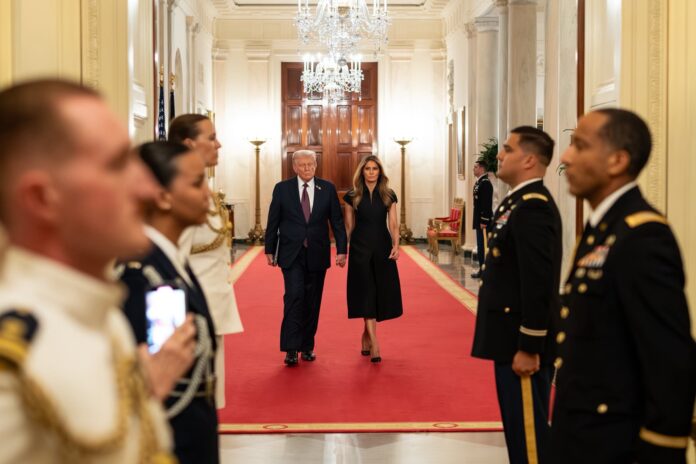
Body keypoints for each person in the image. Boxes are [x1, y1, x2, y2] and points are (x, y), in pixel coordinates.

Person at [0, 79, 192, 463]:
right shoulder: (13, 358)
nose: (147, 188)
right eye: (117, 165)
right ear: (42, 198)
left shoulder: (105, 320)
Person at [551, 108, 696, 463]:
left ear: (617, 160)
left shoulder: (642, 236)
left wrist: (660, 450)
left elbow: (669, 358)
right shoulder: (603, 229)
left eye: (580, 146)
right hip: (583, 434)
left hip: (616, 443)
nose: (566, 157)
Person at [119, 141, 220, 464]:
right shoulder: (147, 275)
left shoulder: (169, 259)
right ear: (162, 196)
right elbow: (166, 387)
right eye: (197, 183)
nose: (207, 193)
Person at [471, 126, 562, 464]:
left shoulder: (533, 207)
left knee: (529, 439)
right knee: (519, 433)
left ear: (529, 160)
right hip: (509, 338)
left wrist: (529, 345)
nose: (499, 155)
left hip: (520, 343)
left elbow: (538, 282)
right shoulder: (518, 201)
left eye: (508, 149)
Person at [169, 113, 242, 409]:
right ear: (189, 144)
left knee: (209, 397)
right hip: (192, 313)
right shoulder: (180, 192)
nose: (218, 144)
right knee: (192, 401)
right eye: (211, 138)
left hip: (211, 306)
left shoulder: (202, 187)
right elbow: (171, 260)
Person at [265, 150, 348, 366]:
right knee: (294, 296)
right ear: (294, 167)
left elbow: (337, 221)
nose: (307, 168)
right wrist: (269, 249)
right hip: (291, 253)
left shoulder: (327, 188)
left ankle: (307, 345)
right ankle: (291, 348)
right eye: (302, 165)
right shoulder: (282, 189)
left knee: (312, 300)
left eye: (310, 164)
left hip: (317, 252)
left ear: (315, 165)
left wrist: (342, 250)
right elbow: (273, 220)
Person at [343, 155, 403, 363]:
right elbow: (349, 227)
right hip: (360, 249)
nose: (371, 172)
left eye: (374, 169)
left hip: (382, 247)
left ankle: (366, 334)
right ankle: (375, 343)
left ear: (379, 172)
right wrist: (342, 251)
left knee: (378, 292)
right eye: (367, 168)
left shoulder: (388, 195)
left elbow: (393, 224)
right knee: (365, 291)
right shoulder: (352, 196)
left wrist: (396, 245)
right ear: (362, 172)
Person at [471, 159, 493, 278]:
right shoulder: (480, 182)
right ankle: (482, 269)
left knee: (483, 246)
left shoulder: (485, 183)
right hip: (479, 219)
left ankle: (485, 270)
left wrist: (484, 220)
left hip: (483, 221)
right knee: (480, 246)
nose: (473, 169)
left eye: (475, 167)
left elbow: (486, 204)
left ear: (481, 168)